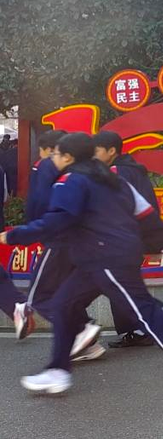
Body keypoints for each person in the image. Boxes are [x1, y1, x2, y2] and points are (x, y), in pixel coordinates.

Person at [0, 133, 163, 400]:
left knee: (142, 310)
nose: (53, 158)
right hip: (98, 259)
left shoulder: (70, 180)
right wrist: (155, 245)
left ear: (68, 157)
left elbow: (59, 219)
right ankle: (58, 371)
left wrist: (16, 235)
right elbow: (146, 214)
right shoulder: (114, 179)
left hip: (107, 257)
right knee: (63, 305)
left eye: (56, 154)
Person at [13, 129, 101, 360]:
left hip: (58, 238)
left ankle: (81, 329)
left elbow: (41, 203)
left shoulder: (48, 167)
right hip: (82, 241)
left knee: (39, 295)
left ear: (51, 150)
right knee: (63, 291)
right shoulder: (90, 172)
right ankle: (88, 342)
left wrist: (30, 231)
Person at [92, 131, 163, 348]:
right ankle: (139, 329)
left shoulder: (116, 172)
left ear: (111, 151)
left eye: (96, 151)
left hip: (121, 238)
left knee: (115, 284)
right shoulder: (132, 169)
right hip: (132, 237)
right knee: (119, 284)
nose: (93, 155)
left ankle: (155, 317)